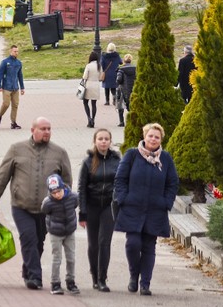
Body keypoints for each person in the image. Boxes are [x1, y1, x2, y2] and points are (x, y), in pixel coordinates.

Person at [0, 117, 72, 290]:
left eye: (49, 128)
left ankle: (28, 270)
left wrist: (64, 201)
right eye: (43, 129)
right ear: (33, 130)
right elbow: (2, 176)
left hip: (47, 208)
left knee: (39, 242)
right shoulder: (17, 149)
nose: (47, 132)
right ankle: (35, 276)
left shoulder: (59, 152)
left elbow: (67, 181)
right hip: (21, 205)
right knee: (28, 238)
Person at [114, 123, 179, 296]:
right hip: (132, 208)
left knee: (149, 246)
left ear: (161, 140)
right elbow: (120, 178)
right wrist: (123, 198)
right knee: (133, 243)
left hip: (155, 210)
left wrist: (166, 202)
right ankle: (134, 276)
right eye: (150, 135)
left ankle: (145, 284)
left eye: (157, 137)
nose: (153, 139)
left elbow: (172, 182)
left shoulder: (165, 158)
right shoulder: (132, 155)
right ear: (144, 136)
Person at [78, 128, 121, 292]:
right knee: (93, 244)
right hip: (92, 206)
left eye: (106, 139)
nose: (103, 142)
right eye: (100, 139)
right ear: (95, 141)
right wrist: (82, 212)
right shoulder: (88, 161)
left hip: (108, 207)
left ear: (110, 141)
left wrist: (119, 202)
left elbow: (121, 183)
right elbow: (81, 187)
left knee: (105, 243)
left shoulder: (117, 160)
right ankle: (94, 276)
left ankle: (103, 278)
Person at [42, 174, 80, 295]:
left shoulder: (73, 197)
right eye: (53, 193)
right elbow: (45, 211)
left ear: (63, 187)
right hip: (55, 232)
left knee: (71, 257)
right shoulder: (48, 203)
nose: (57, 195)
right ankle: (55, 283)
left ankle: (70, 281)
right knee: (56, 258)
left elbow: (75, 205)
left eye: (59, 191)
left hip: (69, 231)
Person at [0, 44, 25, 129]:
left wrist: (22, 87)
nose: (16, 53)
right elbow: (0, 74)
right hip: (6, 87)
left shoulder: (19, 63)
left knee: (15, 105)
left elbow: (20, 75)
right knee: (6, 104)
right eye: (15, 51)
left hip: (15, 87)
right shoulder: (5, 62)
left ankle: (13, 122)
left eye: (17, 51)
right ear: (10, 51)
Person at [116, 55, 137, 127]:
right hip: (133, 89)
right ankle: (132, 121)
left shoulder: (121, 69)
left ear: (124, 60)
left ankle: (121, 122)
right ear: (131, 60)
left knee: (120, 107)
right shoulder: (135, 69)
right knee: (131, 106)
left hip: (123, 90)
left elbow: (119, 80)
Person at [82, 51, 101, 128]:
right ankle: (93, 119)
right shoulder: (99, 66)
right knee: (94, 104)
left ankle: (89, 118)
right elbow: (100, 77)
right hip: (96, 85)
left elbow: (85, 76)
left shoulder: (88, 66)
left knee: (85, 102)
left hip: (88, 85)